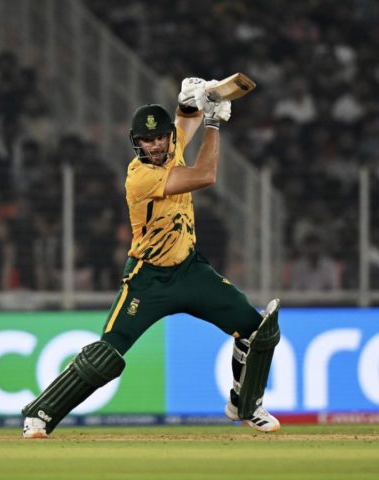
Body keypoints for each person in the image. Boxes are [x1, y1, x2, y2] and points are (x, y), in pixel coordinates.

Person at [21, 77, 282, 438]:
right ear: (137, 143)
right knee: (105, 356)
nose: (156, 144)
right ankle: (40, 414)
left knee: (257, 333)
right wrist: (212, 122)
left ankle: (245, 403)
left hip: (191, 271)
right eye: (148, 139)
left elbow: (183, 121)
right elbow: (205, 175)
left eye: (160, 137)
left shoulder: (170, 145)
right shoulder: (140, 176)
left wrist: (193, 100)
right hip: (148, 279)